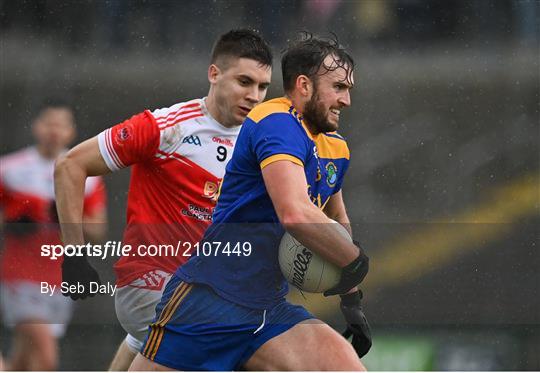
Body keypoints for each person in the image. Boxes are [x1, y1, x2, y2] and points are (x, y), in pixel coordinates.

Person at [130, 34, 371, 371]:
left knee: (344, 367)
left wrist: (351, 299)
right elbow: (296, 213)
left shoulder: (336, 147)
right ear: (303, 85)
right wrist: (355, 261)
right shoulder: (276, 122)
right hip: (209, 301)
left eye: (349, 90)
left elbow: (336, 217)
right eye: (338, 87)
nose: (346, 100)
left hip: (268, 309)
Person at [54, 29, 273, 370]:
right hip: (150, 281)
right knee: (240, 355)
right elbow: (70, 165)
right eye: (244, 81)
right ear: (214, 74)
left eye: (262, 87)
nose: (254, 95)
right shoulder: (167, 128)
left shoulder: (262, 142)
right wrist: (73, 255)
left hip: (207, 289)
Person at [0, 102, 107, 370]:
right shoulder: (9, 169)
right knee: (46, 358)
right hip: (19, 275)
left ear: (71, 132)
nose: (54, 131)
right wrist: (15, 219)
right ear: (37, 126)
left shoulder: (86, 175)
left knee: (23, 362)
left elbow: (98, 229)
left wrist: (65, 218)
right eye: (49, 123)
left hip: (60, 278)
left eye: (61, 124)